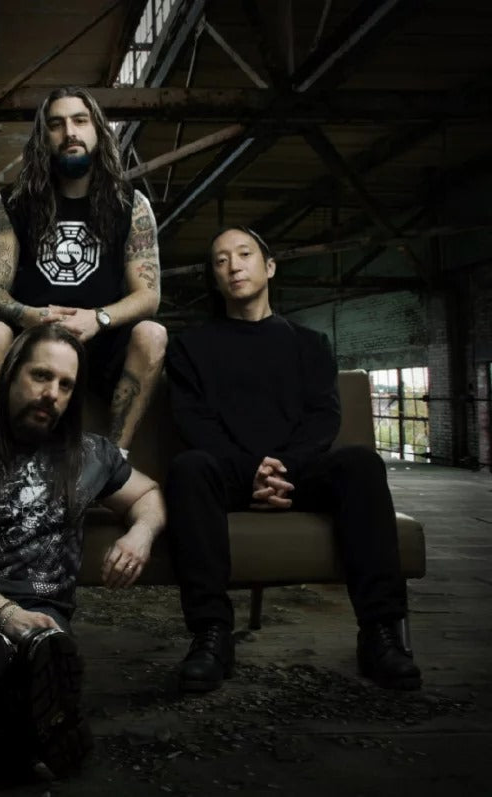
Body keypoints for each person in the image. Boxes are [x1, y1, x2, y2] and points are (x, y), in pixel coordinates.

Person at [0, 324, 166, 784]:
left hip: (43, 613)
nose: (52, 394)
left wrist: (141, 533)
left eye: (65, 385)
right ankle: (15, 726)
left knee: (45, 647)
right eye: (41, 376)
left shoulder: (91, 455)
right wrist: (3, 613)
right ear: (8, 376)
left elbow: (149, 495)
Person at [164, 226, 422, 694]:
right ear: (214, 277)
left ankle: (381, 635)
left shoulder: (309, 344)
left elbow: (323, 417)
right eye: (220, 260)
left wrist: (282, 470)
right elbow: (193, 422)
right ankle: (211, 635)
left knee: (361, 463)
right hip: (227, 475)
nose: (233, 265)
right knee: (188, 467)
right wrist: (251, 473)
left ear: (270, 266)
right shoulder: (189, 347)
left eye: (244, 254)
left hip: (299, 474)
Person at [0, 86, 167, 452]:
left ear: (98, 129)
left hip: (102, 340)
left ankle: (114, 457)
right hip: (34, 340)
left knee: (152, 334)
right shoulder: (14, 202)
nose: (70, 133)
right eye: (56, 124)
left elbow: (149, 295)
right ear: (43, 137)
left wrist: (99, 319)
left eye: (80, 120)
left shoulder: (130, 203)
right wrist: (31, 315)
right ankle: (6, 451)